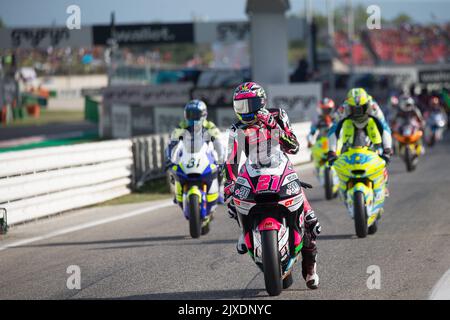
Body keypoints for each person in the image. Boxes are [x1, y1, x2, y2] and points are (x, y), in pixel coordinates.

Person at [223, 82, 321, 289]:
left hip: (281, 170)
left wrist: (272, 125)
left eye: (248, 105)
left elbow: (293, 147)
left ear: (260, 102)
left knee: (311, 222)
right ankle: (245, 231)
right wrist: (229, 183)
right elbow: (231, 160)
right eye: (239, 106)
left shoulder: (277, 115)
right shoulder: (236, 128)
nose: (244, 111)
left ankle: (310, 269)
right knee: (233, 202)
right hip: (254, 172)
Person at [327, 88, 392, 192]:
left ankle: (383, 185)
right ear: (348, 105)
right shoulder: (343, 109)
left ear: (367, 103)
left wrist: (387, 149)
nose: (358, 111)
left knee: (380, 152)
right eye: (354, 108)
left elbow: (384, 127)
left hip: (369, 124)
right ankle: (343, 183)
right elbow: (333, 129)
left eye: (362, 107)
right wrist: (331, 151)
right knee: (344, 150)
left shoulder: (373, 106)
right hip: (350, 125)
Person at [166, 99, 225, 204]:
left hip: (205, 154)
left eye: (196, 114)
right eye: (190, 114)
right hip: (187, 154)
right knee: (174, 169)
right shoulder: (182, 125)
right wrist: (169, 159)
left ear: (204, 114)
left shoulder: (209, 126)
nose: (192, 117)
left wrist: (221, 160)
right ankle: (178, 192)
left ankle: (219, 190)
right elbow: (172, 143)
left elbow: (219, 143)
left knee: (219, 170)